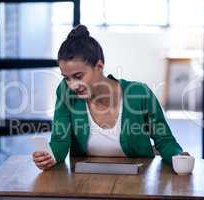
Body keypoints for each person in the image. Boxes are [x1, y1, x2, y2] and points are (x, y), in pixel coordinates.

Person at [32, 25, 189, 170]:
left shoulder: (139, 94)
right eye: (67, 77)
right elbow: (60, 140)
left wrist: (178, 156)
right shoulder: (66, 91)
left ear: (99, 66)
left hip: (137, 183)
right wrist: (49, 157)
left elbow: (164, 140)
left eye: (78, 76)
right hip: (83, 184)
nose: (72, 85)